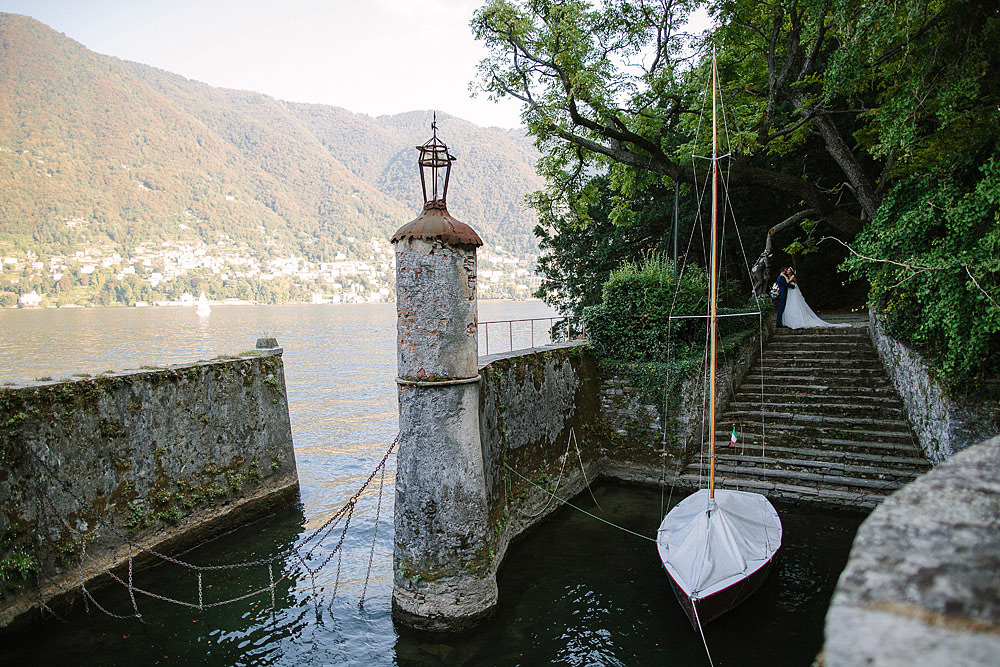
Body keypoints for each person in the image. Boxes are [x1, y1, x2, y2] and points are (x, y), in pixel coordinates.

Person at [781, 269, 851, 329]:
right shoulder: (789, 276)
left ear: (791, 271)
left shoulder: (792, 276)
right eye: (787, 270)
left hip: (794, 292)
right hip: (791, 292)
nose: (787, 271)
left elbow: (788, 282)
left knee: (796, 303)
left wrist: (783, 276)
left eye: (789, 270)